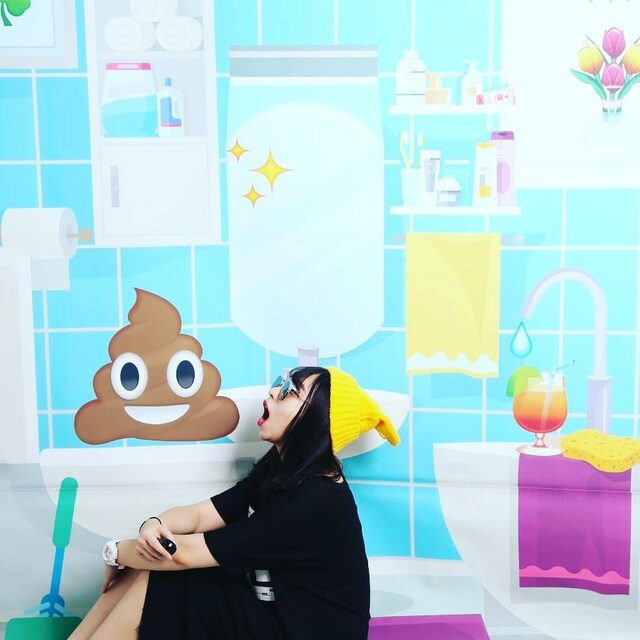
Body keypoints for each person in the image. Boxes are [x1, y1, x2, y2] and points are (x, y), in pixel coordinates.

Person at [69, 366, 400, 640]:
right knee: (150, 564)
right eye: (280, 382)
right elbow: (201, 515)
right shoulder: (282, 467)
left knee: (159, 574)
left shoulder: (315, 500)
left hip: (300, 631)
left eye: (290, 391)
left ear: (315, 421)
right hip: (274, 614)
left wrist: (115, 551)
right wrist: (154, 525)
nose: (273, 391)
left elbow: (183, 555)